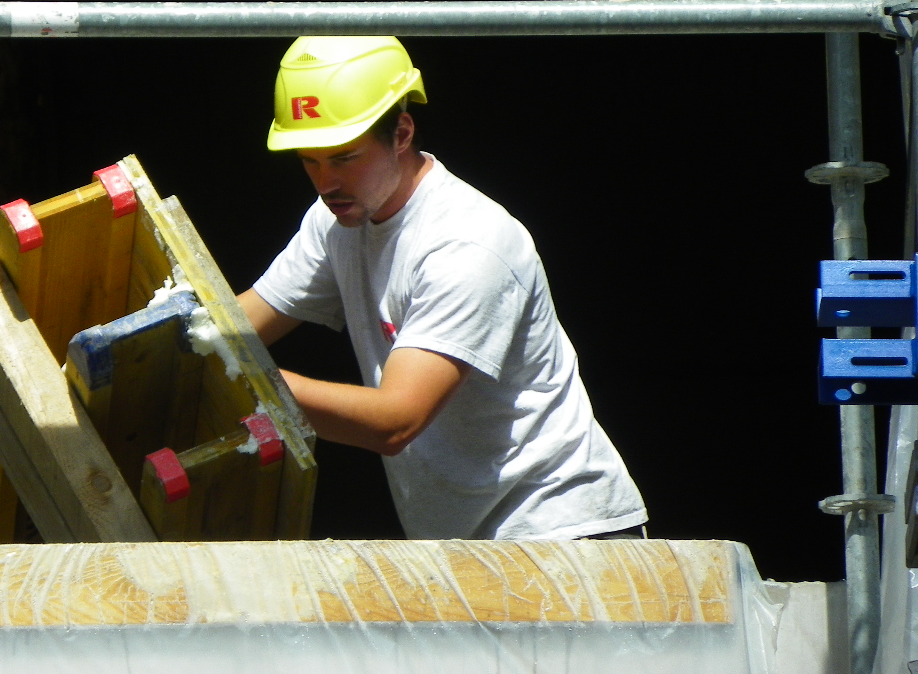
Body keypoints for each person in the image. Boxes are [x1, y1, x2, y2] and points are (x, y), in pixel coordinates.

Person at [238, 36, 647, 540]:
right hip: (466, 543)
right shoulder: (336, 221)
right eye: (310, 160)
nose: (325, 182)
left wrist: (245, 381)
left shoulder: (467, 243)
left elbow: (395, 421)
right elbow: (233, 328)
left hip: (566, 534)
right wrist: (172, 339)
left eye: (344, 158)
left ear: (401, 133)